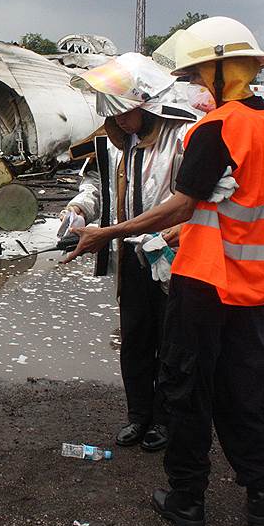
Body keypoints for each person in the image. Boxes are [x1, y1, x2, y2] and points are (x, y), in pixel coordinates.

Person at [65, 17, 264, 526]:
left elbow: (181, 206)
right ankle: (260, 495)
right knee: (247, 385)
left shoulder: (216, 128)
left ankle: (187, 501)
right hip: (254, 286)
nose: (191, 85)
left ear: (221, 69)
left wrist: (108, 233)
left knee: (188, 386)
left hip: (204, 280)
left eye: (195, 75)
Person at [72, 52, 209, 453]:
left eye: (123, 114)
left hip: (173, 257)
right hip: (130, 255)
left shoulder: (186, 134)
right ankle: (139, 415)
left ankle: (166, 419)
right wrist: (78, 208)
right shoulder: (113, 141)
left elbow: (203, 199)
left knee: (172, 341)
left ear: (145, 101)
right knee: (134, 338)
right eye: (111, 115)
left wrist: (181, 230)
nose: (116, 121)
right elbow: (95, 184)